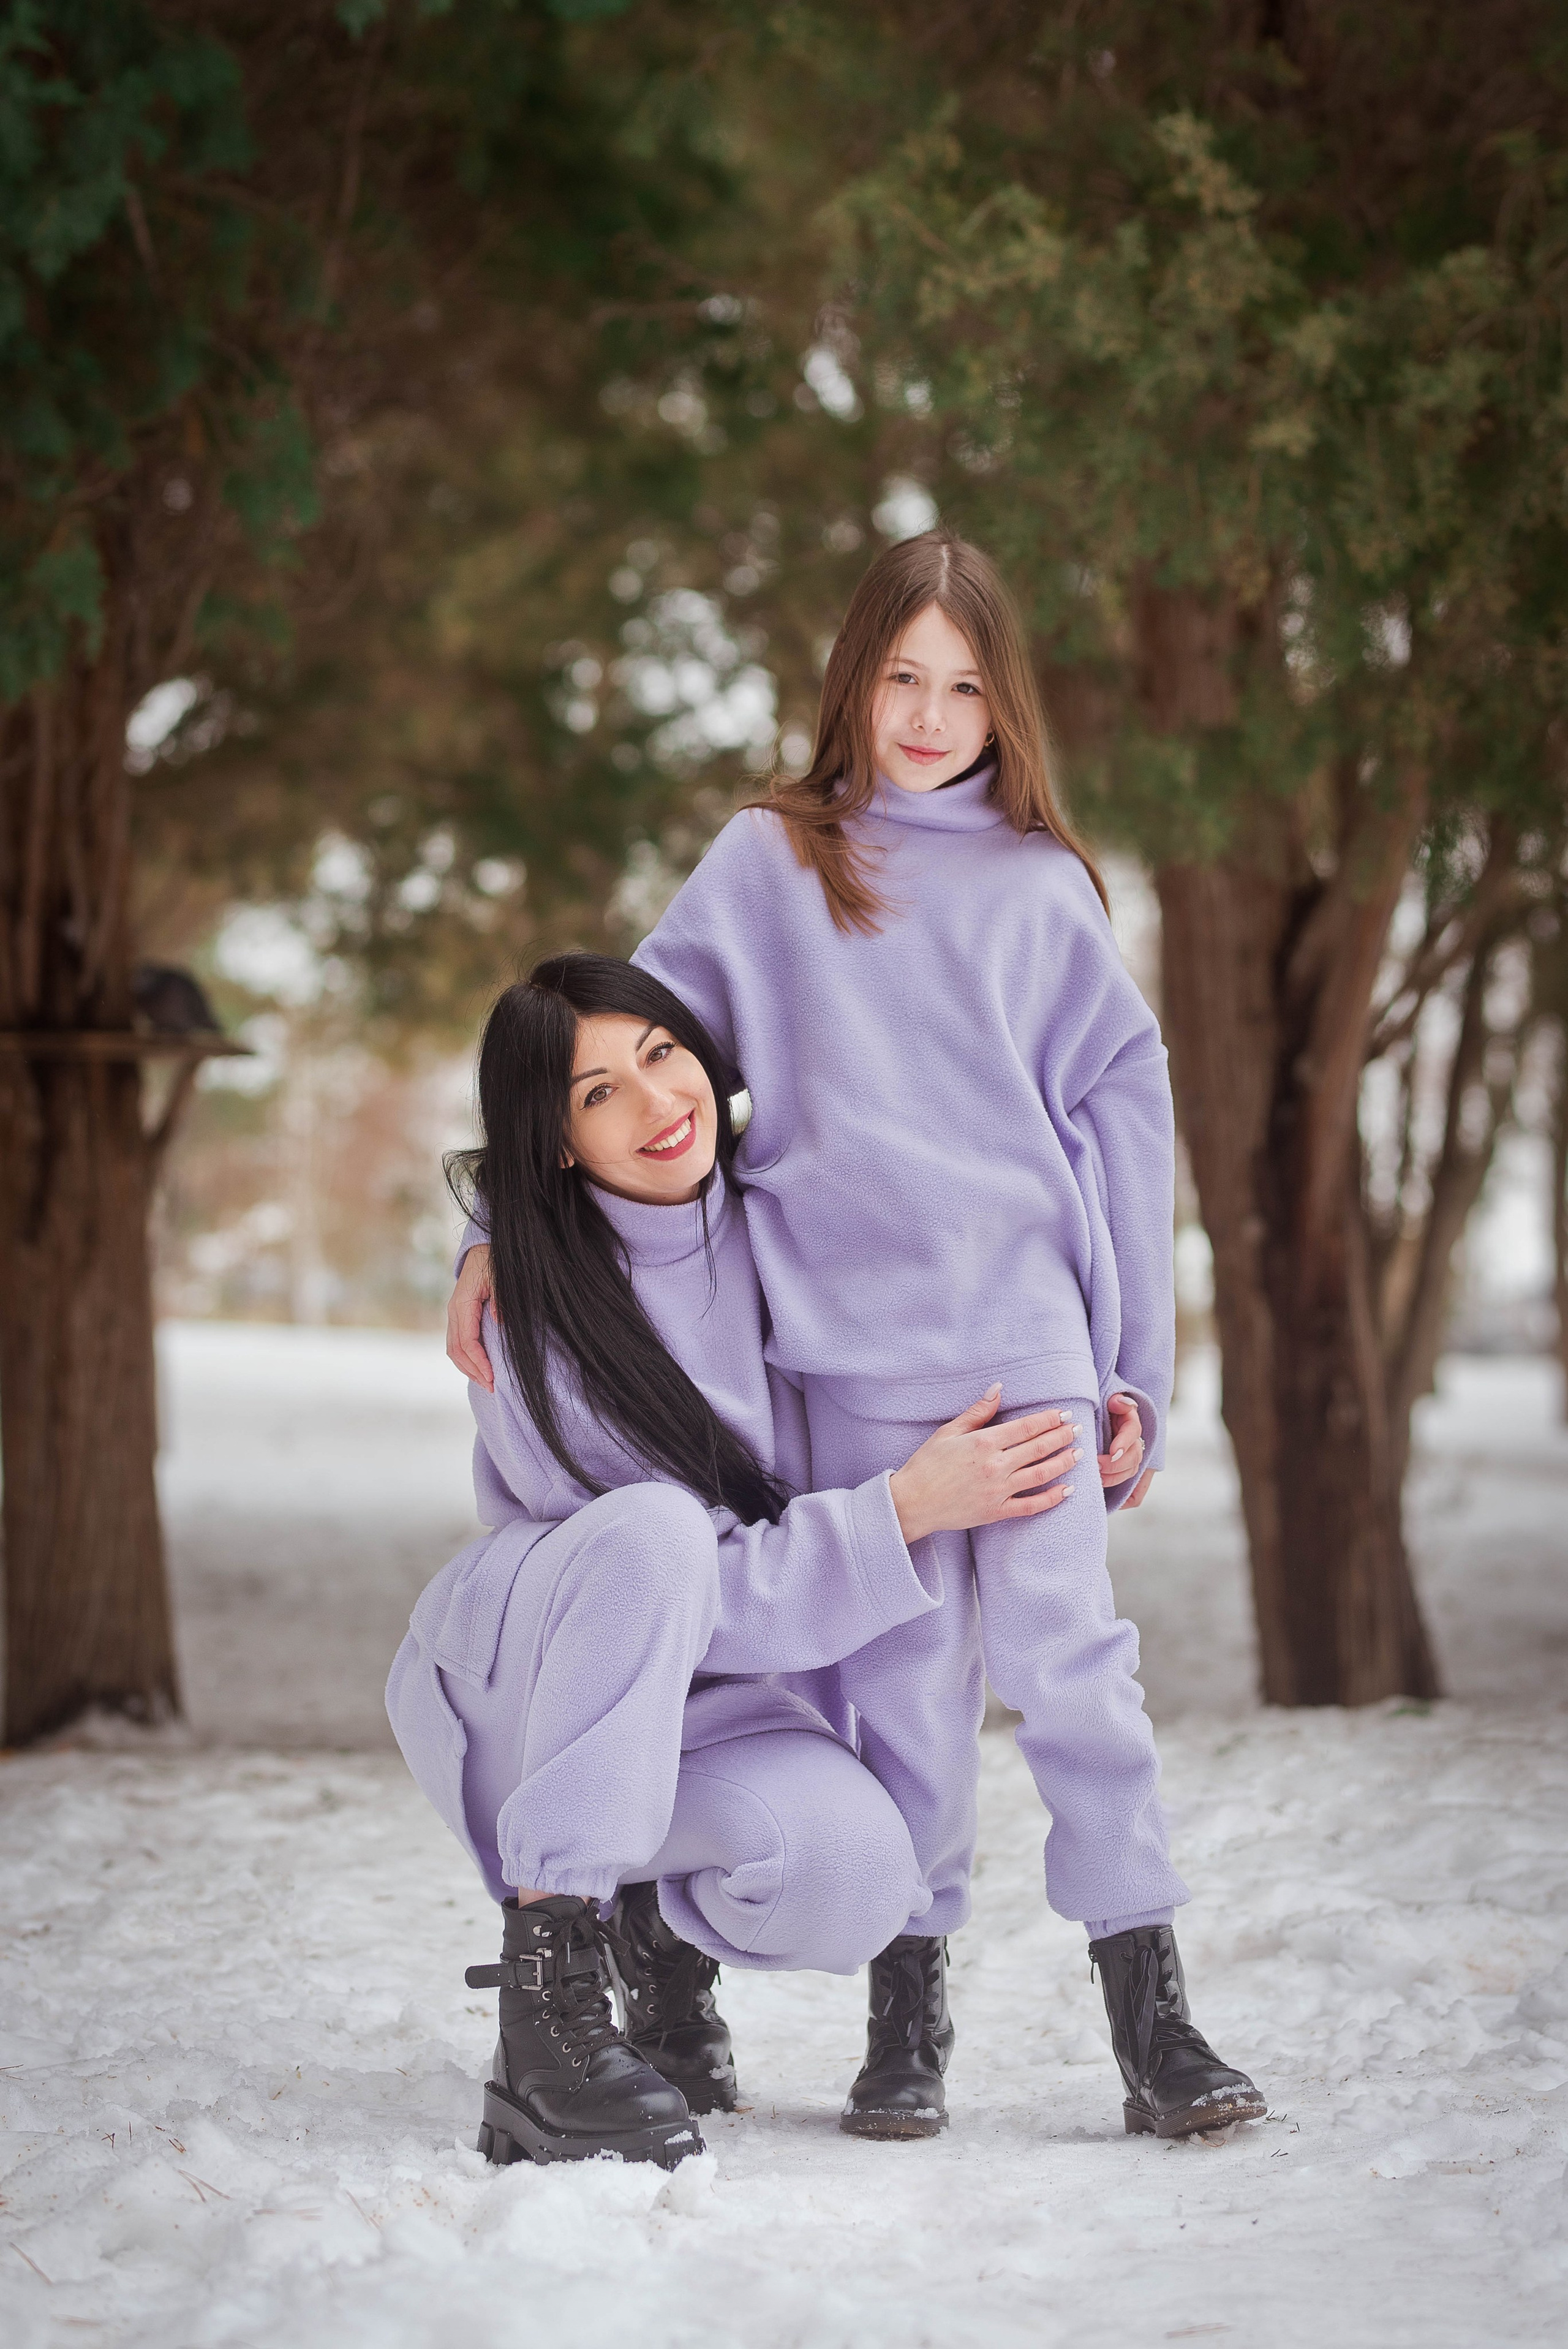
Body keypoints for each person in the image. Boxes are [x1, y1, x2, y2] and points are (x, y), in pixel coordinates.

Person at [451, 532, 1264, 2144]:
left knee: (1070, 1671)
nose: (929, 709)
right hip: (833, 1354)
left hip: (1020, 1343)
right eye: (902, 674)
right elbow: (620, 1051)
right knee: (895, 1695)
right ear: (855, 678)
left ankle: (1150, 2005)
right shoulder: (773, 861)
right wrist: (495, 1228)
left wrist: (1138, 1376)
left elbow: (1126, 1112)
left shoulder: (1043, 891)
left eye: (965, 683)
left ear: (1004, 702)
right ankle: (912, 2005)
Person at [396, 951, 1082, 2170]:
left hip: (696, 1720)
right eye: (595, 1091)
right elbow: (691, 1595)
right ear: (551, 1139)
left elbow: (949, 1163)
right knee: (661, 1527)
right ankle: (547, 1999)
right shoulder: (532, 1308)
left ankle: (652, 1925)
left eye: (661, 1055)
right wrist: (902, 1509)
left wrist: (1107, 1376)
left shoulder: (783, 1226)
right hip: (530, 1698)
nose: (657, 1105)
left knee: (855, 1876)